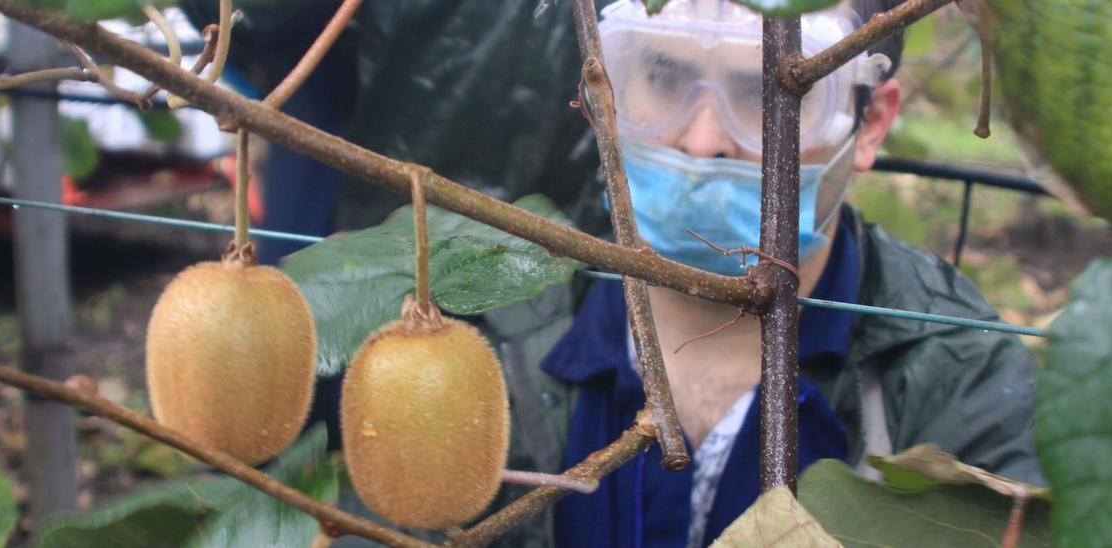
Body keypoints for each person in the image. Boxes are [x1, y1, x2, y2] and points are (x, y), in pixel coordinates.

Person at [181, 1, 1042, 546]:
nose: (703, 141)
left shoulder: (957, 379)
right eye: (662, 78)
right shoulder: (484, 339)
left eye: (769, 93)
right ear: (600, 90)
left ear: (869, 119)